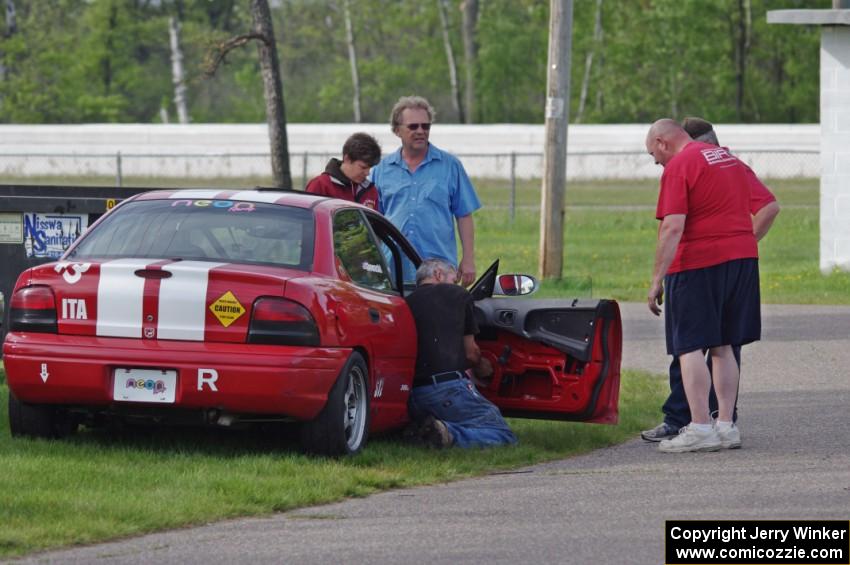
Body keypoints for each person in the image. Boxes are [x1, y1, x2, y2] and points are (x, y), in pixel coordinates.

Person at [641, 118, 780, 443]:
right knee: (724, 343)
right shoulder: (729, 159)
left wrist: (656, 280)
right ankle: (726, 426)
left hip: (697, 265)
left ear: (662, 142)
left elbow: (674, 226)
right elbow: (769, 204)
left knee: (689, 345)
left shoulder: (680, 165)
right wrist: (742, 242)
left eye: (653, 154)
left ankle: (700, 427)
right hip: (741, 262)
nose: (656, 161)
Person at [404, 258, 517, 449]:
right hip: (447, 390)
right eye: (453, 279)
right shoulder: (457, 294)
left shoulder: (406, 302)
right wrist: (483, 368)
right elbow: (471, 354)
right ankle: (449, 433)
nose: (455, 284)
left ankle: (430, 429)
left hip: (413, 396)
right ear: (438, 274)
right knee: (503, 434)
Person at [371, 96, 481, 286]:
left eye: (425, 126)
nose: (421, 131)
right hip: (393, 268)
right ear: (397, 130)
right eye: (413, 127)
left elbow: (464, 215)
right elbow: (373, 221)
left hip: (439, 271)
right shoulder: (381, 170)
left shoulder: (450, 166)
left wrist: (468, 258)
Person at [305, 132, 382, 211]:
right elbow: (308, 219)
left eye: (370, 168)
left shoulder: (370, 191)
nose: (367, 173)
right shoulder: (320, 185)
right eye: (363, 167)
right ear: (347, 159)